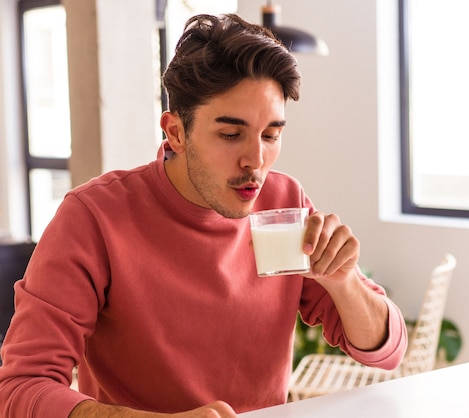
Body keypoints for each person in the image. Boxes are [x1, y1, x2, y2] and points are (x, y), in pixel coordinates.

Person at [0, 13, 407, 417]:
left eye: (271, 135)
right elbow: (20, 389)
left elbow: (386, 351)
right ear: (175, 132)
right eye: (231, 135)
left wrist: (344, 281)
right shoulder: (94, 218)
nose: (256, 161)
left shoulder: (284, 201)